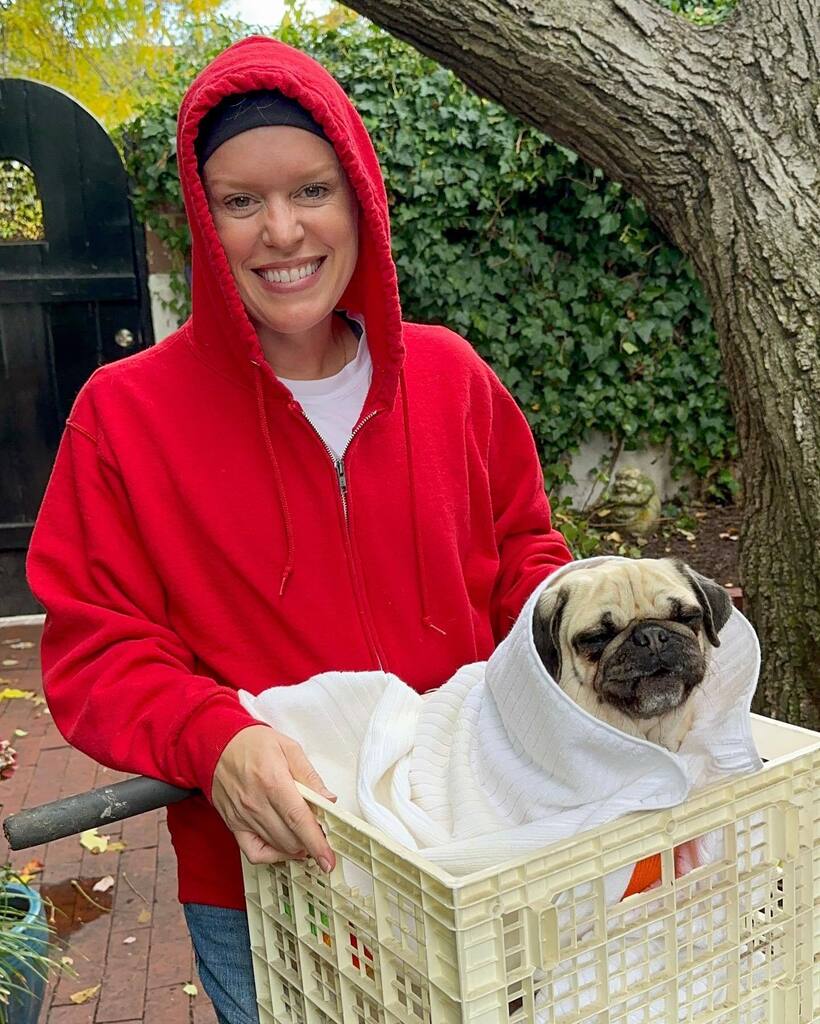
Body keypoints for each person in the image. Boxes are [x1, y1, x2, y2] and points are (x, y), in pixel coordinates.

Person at [26, 35, 573, 1024]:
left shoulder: (452, 378)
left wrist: (590, 631)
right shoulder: (124, 416)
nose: (281, 231)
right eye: (241, 201)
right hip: (270, 881)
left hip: (477, 845)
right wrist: (211, 735)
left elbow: (525, 562)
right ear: (203, 216)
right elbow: (95, 648)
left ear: (359, 195)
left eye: (311, 190)